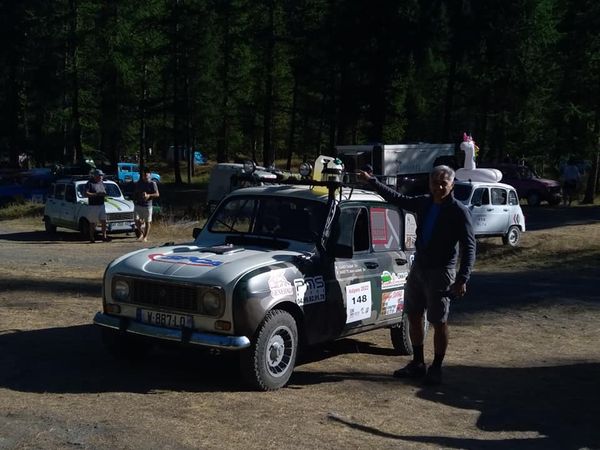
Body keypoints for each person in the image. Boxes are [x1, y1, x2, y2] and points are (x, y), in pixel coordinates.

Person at [358, 165, 476, 385]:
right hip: (419, 269)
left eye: (444, 183)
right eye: (435, 182)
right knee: (413, 314)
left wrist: (463, 278)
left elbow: (469, 246)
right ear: (430, 184)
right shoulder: (424, 202)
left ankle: (437, 367)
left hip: (442, 272)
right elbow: (397, 198)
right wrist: (372, 181)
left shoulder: (459, 211)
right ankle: (418, 362)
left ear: (452, 184)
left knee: (439, 321)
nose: (439, 187)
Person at [134, 166, 159, 242]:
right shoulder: (139, 183)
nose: (145, 176)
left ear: (149, 175)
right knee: (136, 220)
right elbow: (136, 192)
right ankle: (141, 233)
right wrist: (136, 197)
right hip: (138, 204)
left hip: (147, 205)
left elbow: (157, 194)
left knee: (148, 221)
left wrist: (149, 195)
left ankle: (145, 237)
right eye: (143, 175)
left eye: (146, 175)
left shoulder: (152, 183)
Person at [85, 169, 109, 243]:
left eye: (101, 175)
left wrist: (104, 194)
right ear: (95, 176)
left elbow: (105, 191)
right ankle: (92, 238)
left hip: (101, 204)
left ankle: (104, 237)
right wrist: (96, 195)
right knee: (93, 222)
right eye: (99, 175)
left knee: (104, 221)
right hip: (93, 206)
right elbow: (86, 193)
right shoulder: (89, 183)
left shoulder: (102, 183)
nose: (101, 177)